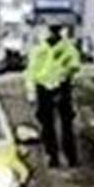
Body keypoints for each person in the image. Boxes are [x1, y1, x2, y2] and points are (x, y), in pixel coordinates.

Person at [25, 23, 82, 167]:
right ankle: (53, 156)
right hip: (44, 87)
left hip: (62, 86)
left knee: (65, 124)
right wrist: (31, 90)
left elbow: (75, 66)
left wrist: (63, 75)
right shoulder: (40, 49)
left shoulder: (67, 48)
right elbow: (31, 71)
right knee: (47, 125)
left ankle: (70, 157)